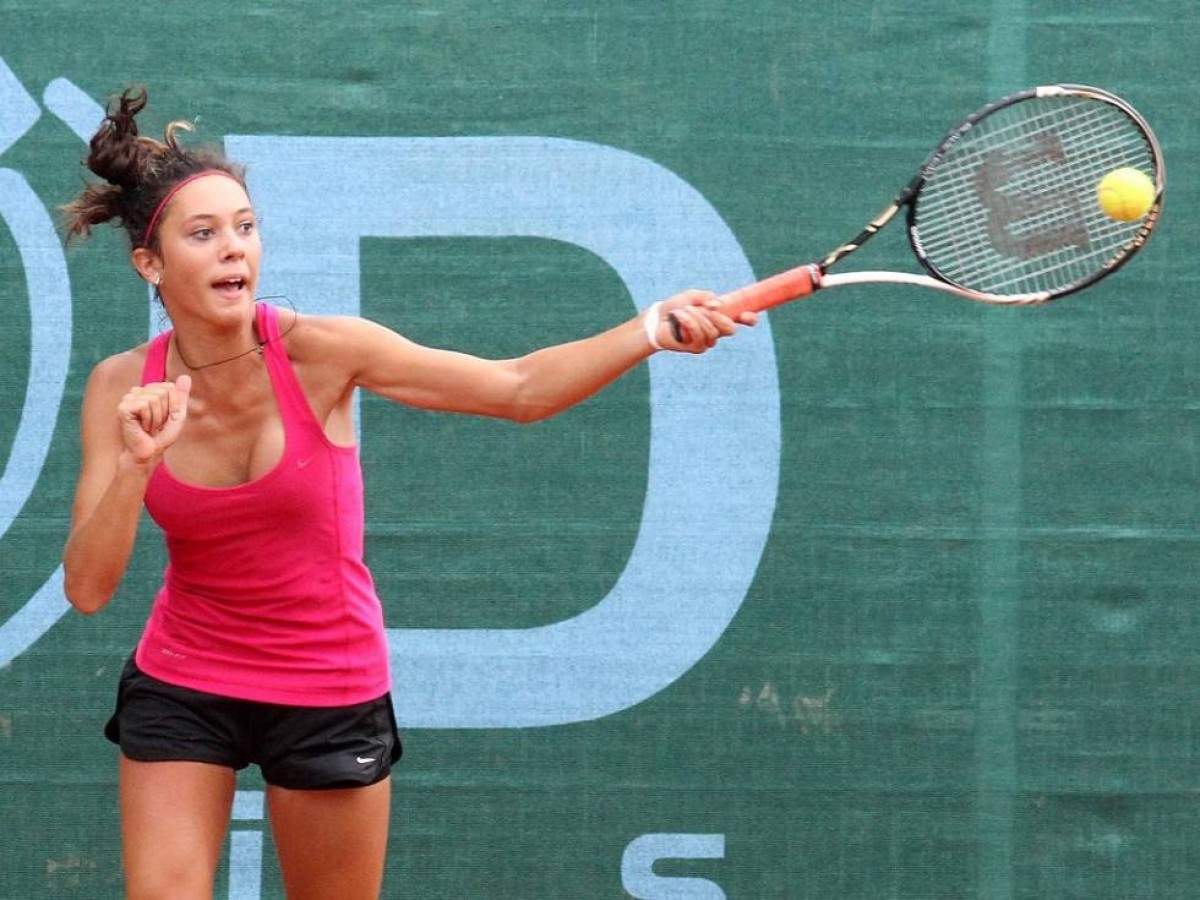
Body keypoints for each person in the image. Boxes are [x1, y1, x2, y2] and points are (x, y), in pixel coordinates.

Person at [59, 87, 753, 900]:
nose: (233, 250)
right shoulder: (119, 388)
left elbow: (518, 388)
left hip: (326, 683)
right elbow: (88, 589)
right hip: (186, 678)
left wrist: (649, 329)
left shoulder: (326, 351)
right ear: (151, 264)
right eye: (203, 234)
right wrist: (138, 463)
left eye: (245, 227)